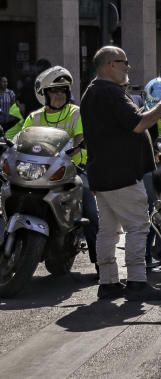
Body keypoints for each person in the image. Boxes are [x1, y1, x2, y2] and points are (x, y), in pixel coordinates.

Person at [81, 46, 161, 301]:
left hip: (102, 174)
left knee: (108, 230)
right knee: (137, 226)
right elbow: (139, 124)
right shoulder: (111, 92)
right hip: (121, 174)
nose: (127, 68)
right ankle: (136, 281)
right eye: (124, 63)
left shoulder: (91, 92)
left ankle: (109, 282)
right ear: (110, 64)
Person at [20, 66, 99, 273]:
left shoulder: (75, 113)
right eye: (54, 91)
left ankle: (102, 267)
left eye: (63, 90)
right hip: (37, 173)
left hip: (72, 170)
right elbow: (21, 140)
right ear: (44, 94)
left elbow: (80, 138)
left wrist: (76, 148)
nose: (59, 94)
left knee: (91, 211)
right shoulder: (34, 117)